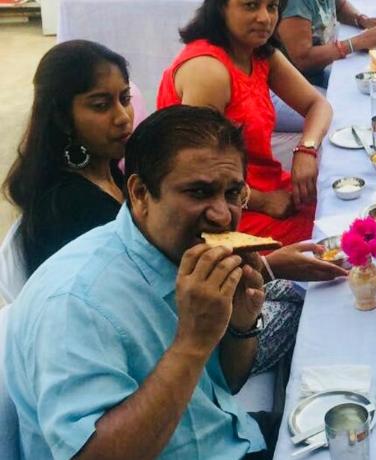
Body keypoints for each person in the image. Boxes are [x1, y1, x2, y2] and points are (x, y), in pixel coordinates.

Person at [4, 105, 288, 459]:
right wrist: (192, 341)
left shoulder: (179, 254)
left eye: (233, 194)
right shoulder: (76, 302)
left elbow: (225, 384)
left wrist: (241, 324)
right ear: (139, 194)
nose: (222, 215)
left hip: (229, 435)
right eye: (198, 193)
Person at [158, 0, 333, 246]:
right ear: (220, 8)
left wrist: (307, 149)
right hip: (221, 209)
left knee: (338, 200)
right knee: (331, 241)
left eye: (272, 7)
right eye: (251, 6)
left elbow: (318, 105)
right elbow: (197, 172)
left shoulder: (258, 52)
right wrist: (263, 201)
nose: (265, 18)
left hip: (265, 185)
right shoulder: (208, 70)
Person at [3, 40, 132, 276]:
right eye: (101, 106)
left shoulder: (107, 170)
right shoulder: (71, 206)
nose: (123, 117)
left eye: (125, 99)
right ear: (62, 118)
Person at [280, 0, 376, 87]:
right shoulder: (295, 4)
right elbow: (303, 60)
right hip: (298, 86)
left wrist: (361, 20)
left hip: (322, 70)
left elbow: (340, 7)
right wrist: (358, 42)